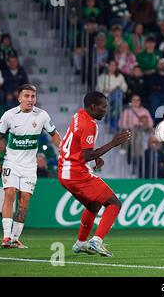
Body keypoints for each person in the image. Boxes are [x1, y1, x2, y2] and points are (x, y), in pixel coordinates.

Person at [57, 91, 132, 257]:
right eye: (103, 107)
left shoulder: (79, 115)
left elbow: (79, 145)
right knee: (114, 203)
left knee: (93, 206)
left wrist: (95, 156)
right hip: (77, 172)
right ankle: (97, 241)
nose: (106, 110)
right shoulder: (89, 124)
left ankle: (81, 243)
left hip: (65, 171)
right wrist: (113, 143)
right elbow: (86, 155)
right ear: (93, 107)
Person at [0, 84, 61, 248]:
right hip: (11, 162)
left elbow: (54, 135)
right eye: (27, 96)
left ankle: (15, 238)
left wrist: (64, 149)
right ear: (19, 98)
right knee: (9, 193)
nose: (30, 99)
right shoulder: (9, 115)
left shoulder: (42, 115)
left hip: (30, 167)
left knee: (25, 201)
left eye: (33, 96)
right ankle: (6, 237)